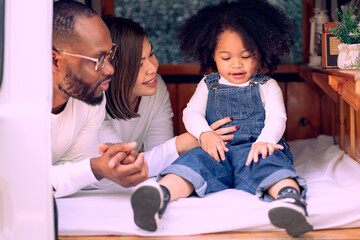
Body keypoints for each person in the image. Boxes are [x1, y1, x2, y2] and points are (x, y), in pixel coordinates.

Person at [130, 0, 313, 237]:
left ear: (261, 54)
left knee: (272, 163)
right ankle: (158, 195)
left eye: (246, 56)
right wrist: (204, 134)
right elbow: (191, 112)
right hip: (216, 149)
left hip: (255, 150)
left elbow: (277, 117)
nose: (236, 65)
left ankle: (290, 201)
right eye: (226, 58)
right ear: (212, 56)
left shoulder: (267, 85)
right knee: (193, 163)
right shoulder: (208, 84)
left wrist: (265, 141)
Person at [100, 16, 237, 177]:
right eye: (138, 64)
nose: (152, 68)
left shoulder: (155, 87)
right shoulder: (94, 101)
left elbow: (160, 159)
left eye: (151, 54)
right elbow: (120, 167)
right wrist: (188, 141)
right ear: (113, 70)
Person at [51, 0, 148, 198]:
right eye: (99, 60)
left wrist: (113, 167)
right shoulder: (14, 108)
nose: (111, 69)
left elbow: (77, 166)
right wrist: (96, 168)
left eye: (110, 54)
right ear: (55, 61)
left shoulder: (88, 98)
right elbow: (21, 180)